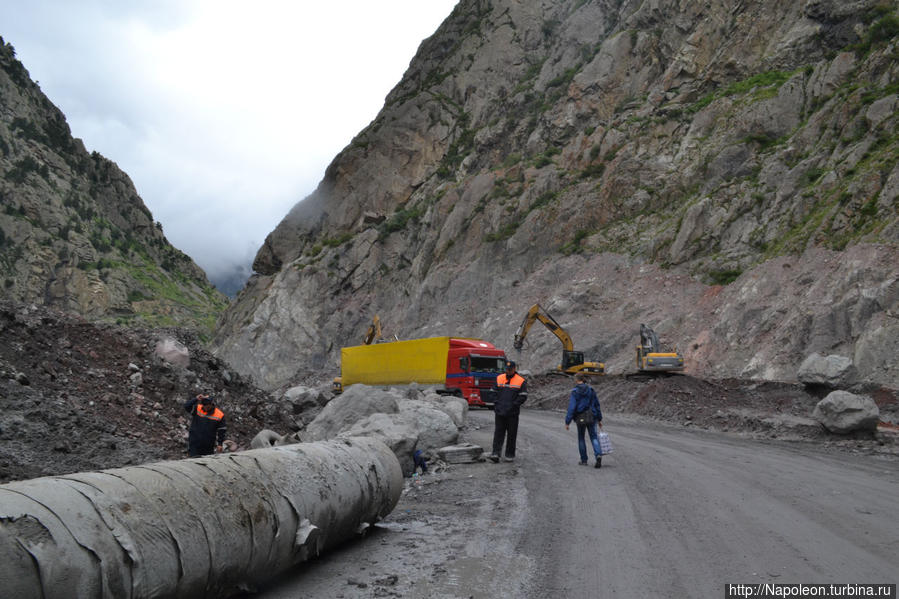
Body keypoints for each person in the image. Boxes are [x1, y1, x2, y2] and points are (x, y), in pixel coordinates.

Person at [489, 360, 528, 463]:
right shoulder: (499, 378)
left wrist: (514, 405)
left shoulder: (520, 381)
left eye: (510, 370)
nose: (508, 371)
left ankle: (509, 455)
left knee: (512, 434)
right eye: (507, 369)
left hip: (512, 414)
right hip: (500, 412)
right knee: (498, 433)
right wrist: (496, 404)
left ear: (514, 369)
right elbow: (493, 392)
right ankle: (495, 453)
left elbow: (523, 396)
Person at [564, 373, 603, 468]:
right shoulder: (591, 390)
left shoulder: (575, 392)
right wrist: (599, 419)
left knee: (581, 438)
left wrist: (567, 421)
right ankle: (598, 454)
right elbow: (597, 405)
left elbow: (572, 407)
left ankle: (584, 460)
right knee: (593, 437)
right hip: (592, 416)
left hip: (580, 417)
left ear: (577, 380)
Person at [184, 392, 227, 457]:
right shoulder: (197, 409)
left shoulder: (219, 415)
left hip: (208, 446)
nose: (205, 406)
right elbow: (186, 406)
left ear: (212, 404)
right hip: (194, 443)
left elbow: (222, 430)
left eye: (207, 404)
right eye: (204, 404)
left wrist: (220, 444)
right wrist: (196, 399)